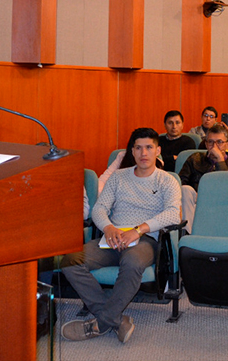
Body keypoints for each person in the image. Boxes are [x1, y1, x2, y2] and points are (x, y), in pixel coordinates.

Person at [61, 128, 181, 344]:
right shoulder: (118, 177)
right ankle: (114, 318)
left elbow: (173, 213)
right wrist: (108, 228)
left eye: (149, 147)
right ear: (132, 152)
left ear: (158, 151)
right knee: (70, 261)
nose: (143, 153)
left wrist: (139, 229)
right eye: (138, 148)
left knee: (133, 263)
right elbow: (99, 209)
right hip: (113, 236)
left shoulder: (167, 180)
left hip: (144, 240)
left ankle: (100, 322)